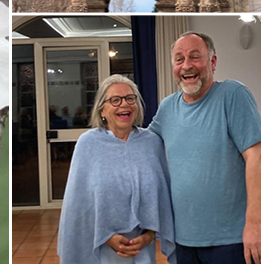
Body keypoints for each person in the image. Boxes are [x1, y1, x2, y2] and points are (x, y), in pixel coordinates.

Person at [149, 32, 261, 264]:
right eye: (179, 59)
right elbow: (140, 146)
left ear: (213, 62)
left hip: (232, 240)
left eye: (195, 57)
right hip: (184, 240)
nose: (187, 65)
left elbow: (256, 157)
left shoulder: (233, 95)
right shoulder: (167, 108)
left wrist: (255, 224)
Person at [59, 74, 176, 264]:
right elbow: (78, 204)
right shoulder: (88, 144)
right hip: (100, 249)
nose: (124, 104)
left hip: (143, 251)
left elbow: (162, 198)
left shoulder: (152, 143)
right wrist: (106, 237)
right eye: (115, 100)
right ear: (102, 110)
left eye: (130, 98)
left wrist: (149, 235)